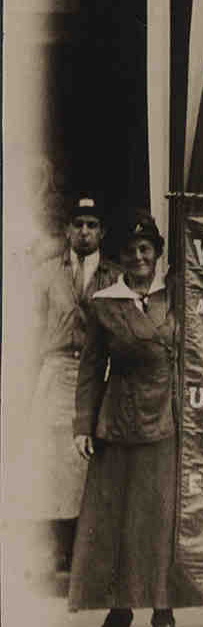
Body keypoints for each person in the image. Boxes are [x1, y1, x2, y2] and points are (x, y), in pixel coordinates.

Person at [69, 213, 183, 627]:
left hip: (165, 421)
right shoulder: (104, 302)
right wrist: (83, 425)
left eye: (146, 250)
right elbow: (91, 368)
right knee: (116, 519)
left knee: (158, 519)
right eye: (132, 251)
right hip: (117, 421)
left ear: (157, 255)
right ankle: (119, 611)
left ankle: (163, 612)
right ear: (120, 257)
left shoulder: (173, 298)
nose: (139, 258)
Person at [25, 195, 120, 580]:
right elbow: (31, 328)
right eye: (78, 224)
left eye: (92, 224)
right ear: (67, 230)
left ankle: (88, 549)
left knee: (89, 457)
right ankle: (57, 548)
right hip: (57, 367)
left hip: (97, 371)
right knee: (50, 458)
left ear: (102, 232)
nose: (84, 231)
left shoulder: (114, 277)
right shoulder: (46, 274)